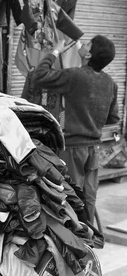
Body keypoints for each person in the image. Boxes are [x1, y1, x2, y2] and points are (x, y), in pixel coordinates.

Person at [29, 35, 119, 223]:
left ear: (88, 54)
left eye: (87, 44)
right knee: (89, 195)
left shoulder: (75, 76)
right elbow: (113, 118)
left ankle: (73, 238)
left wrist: (55, 51)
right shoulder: (111, 83)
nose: (83, 44)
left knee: (69, 195)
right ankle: (89, 235)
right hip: (94, 148)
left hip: (72, 148)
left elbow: (38, 76)